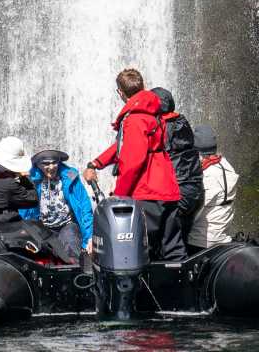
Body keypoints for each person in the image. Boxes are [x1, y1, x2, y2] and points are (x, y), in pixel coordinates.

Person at [81, 68, 185, 261]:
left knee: (142, 251)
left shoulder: (135, 118)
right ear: (142, 86)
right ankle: (184, 288)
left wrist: (119, 197)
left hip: (147, 191)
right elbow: (126, 145)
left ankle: (144, 291)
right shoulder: (152, 112)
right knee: (172, 249)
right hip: (166, 187)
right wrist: (97, 162)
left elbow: (132, 162)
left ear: (120, 92)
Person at [150, 87, 204, 249]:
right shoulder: (182, 122)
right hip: (195, 192)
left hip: (176, 194)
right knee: (181, 241)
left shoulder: (162, 127)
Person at [17, 149, 93, 263]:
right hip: (41, 227)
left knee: (71, 250)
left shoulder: (71, 176)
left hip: (66, 225)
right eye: (46, 163)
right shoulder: (30, 179)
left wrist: (89, 238)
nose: (51, 167)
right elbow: (24, 211)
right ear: (37, 164)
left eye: (54, 162)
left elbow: (84, 207)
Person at [187, 124, 239, 255]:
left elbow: (191, 213)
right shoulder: (227, 167)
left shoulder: (206, 176)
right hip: (223, 240)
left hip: (199, 243)